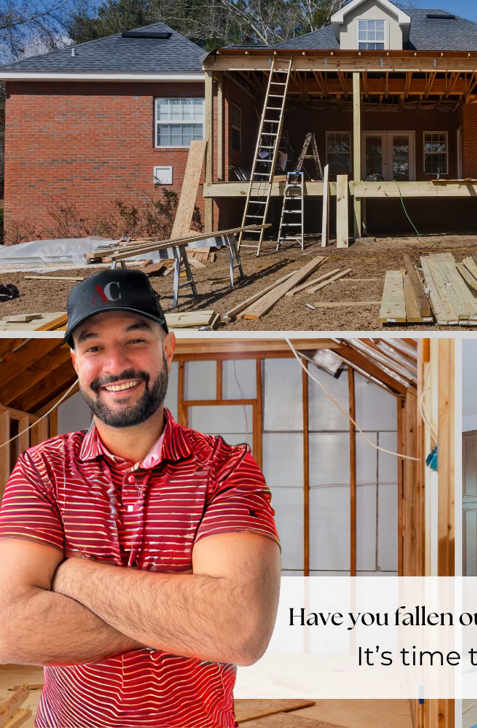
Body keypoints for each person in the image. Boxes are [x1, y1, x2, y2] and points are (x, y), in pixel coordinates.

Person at [0, 269, 281, 728]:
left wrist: (70, 575)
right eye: (93, 347)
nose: (115, 365)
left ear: (167, 347)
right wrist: (191, 620)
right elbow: (7, 628)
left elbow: (240, 631)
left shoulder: (226, 467)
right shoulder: (42, 468)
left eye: (135, 340)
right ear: (75, 362)